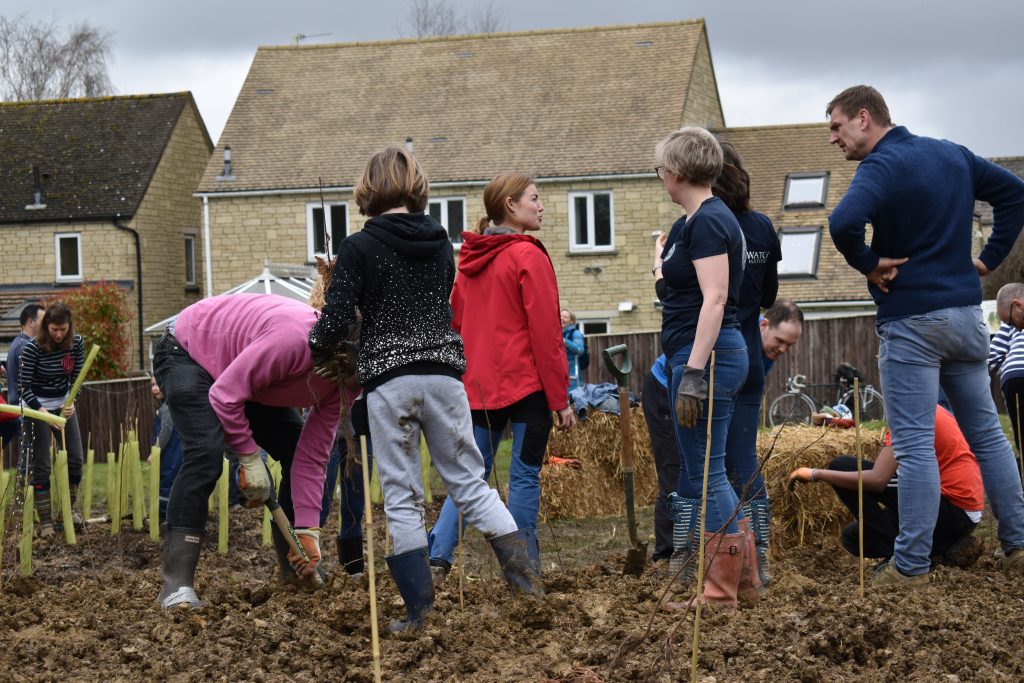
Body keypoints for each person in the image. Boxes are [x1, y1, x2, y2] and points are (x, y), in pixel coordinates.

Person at [308, 148, 539, 632]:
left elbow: (334, 323)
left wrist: (319, 345)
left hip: (391, 382)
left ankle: (420, 614)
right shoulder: (440, 244)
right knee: (470, 485)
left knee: (403, 495)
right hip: (445, 376)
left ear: (369, 189)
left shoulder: (357, 247)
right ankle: (529, 591)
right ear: (416, 186)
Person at [826, 84, 1024, 584]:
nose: (834, 139)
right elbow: (1015, 195)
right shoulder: (952, 155)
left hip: (913, 322)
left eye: (836, 126)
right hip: (964, 318)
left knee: (913, 447)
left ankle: (910, 566)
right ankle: (1018, 545)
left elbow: (844, 221)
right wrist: (987, 261)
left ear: (865, 117)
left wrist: (869, 264)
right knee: (988, 436)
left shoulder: (880, 167)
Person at [426, 173, 575, 583]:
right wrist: (560, 398)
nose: (541, 206)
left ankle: (437, 557)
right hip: (527, 388)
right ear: (511, 205)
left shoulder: (470, 261)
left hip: (477, 390)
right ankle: (523, 572)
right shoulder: (528, 256)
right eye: (535, 198)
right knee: (524, 476)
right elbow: (546, 334)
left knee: (470, 478)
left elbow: (454, 324)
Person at [152, 293, 342, 609]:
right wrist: (249, 457)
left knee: (294, 447)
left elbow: (311, 457)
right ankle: (176, 586)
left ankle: (293, 570)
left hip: (242, 370)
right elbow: (225, 395)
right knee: (205, 453)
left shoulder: (346, 383)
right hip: (189, 350)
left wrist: (308, 530)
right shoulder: (294, 341)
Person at [655, 126, 756, 608]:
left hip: (708, 359)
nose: (661, 178)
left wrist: (694, 372)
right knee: (707, 472)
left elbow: (715, 299)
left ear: (675, 173)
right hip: (698, 355)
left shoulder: (711, 221)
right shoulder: (692, 222)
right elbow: (684, 290)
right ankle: (747, 582)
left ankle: (720, 593)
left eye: (660, 170)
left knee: (709, 475)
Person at [789, 405, 984, 568]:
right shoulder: (929, 407)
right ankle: (942, 546)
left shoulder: (907, 413)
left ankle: (904, 557)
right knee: (854, 536)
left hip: (951, 508)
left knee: (842, 467)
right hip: (962, 512)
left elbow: (877, 479)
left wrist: (816, 474)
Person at [713, 140, 782, 586]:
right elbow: (771, 297)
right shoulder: (762, 227)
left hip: (718, 354)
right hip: (752, 357)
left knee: (708, 464)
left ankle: (715, 559)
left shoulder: (703, 225)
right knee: (744, 461)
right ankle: (763, 555)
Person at [18, 302, 85, 538]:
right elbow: (23, 388)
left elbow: (78, 376)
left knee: (76, 458)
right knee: (42, 465)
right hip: (36, 408)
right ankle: (45, 521)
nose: (59, 334)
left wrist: (72, 401)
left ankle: (69, 509)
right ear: (47, 326)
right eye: (54, 329)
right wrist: (44, 415)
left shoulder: (76, 343)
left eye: (63, 329)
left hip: (63, 406)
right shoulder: (32, 348)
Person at [1, 303, 45, 447]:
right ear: (31, 322)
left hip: (22, 406)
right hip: (25, 407)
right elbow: (33, 381)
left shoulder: (18, 343)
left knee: (30, 455)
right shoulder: (24, 347)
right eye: (42, 320)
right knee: (31, 456)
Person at [149, 375, 183, 526]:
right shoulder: (166, 406)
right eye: (152, 385)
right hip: (171, 452)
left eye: (158, 384)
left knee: (166, 480)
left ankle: (164, 514)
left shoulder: (167, 408)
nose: (154, 388)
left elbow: (165, 431)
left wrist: (156, 451)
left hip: (170, 453)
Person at [759, 299, 804, 375]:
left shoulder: (769, 350)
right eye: (779, 340)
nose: (783, 350)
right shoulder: (740, 334)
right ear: (763, 325)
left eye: (789, 344)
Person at [561, 309, 586, 395]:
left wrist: (564, 341)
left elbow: (580, 350)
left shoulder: (576, 334)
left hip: (572, 377)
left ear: (571, 321)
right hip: (559, 376)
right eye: (560, 316)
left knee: (574, 402)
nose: (562, 318)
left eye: (565, 317)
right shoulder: (556, 333)